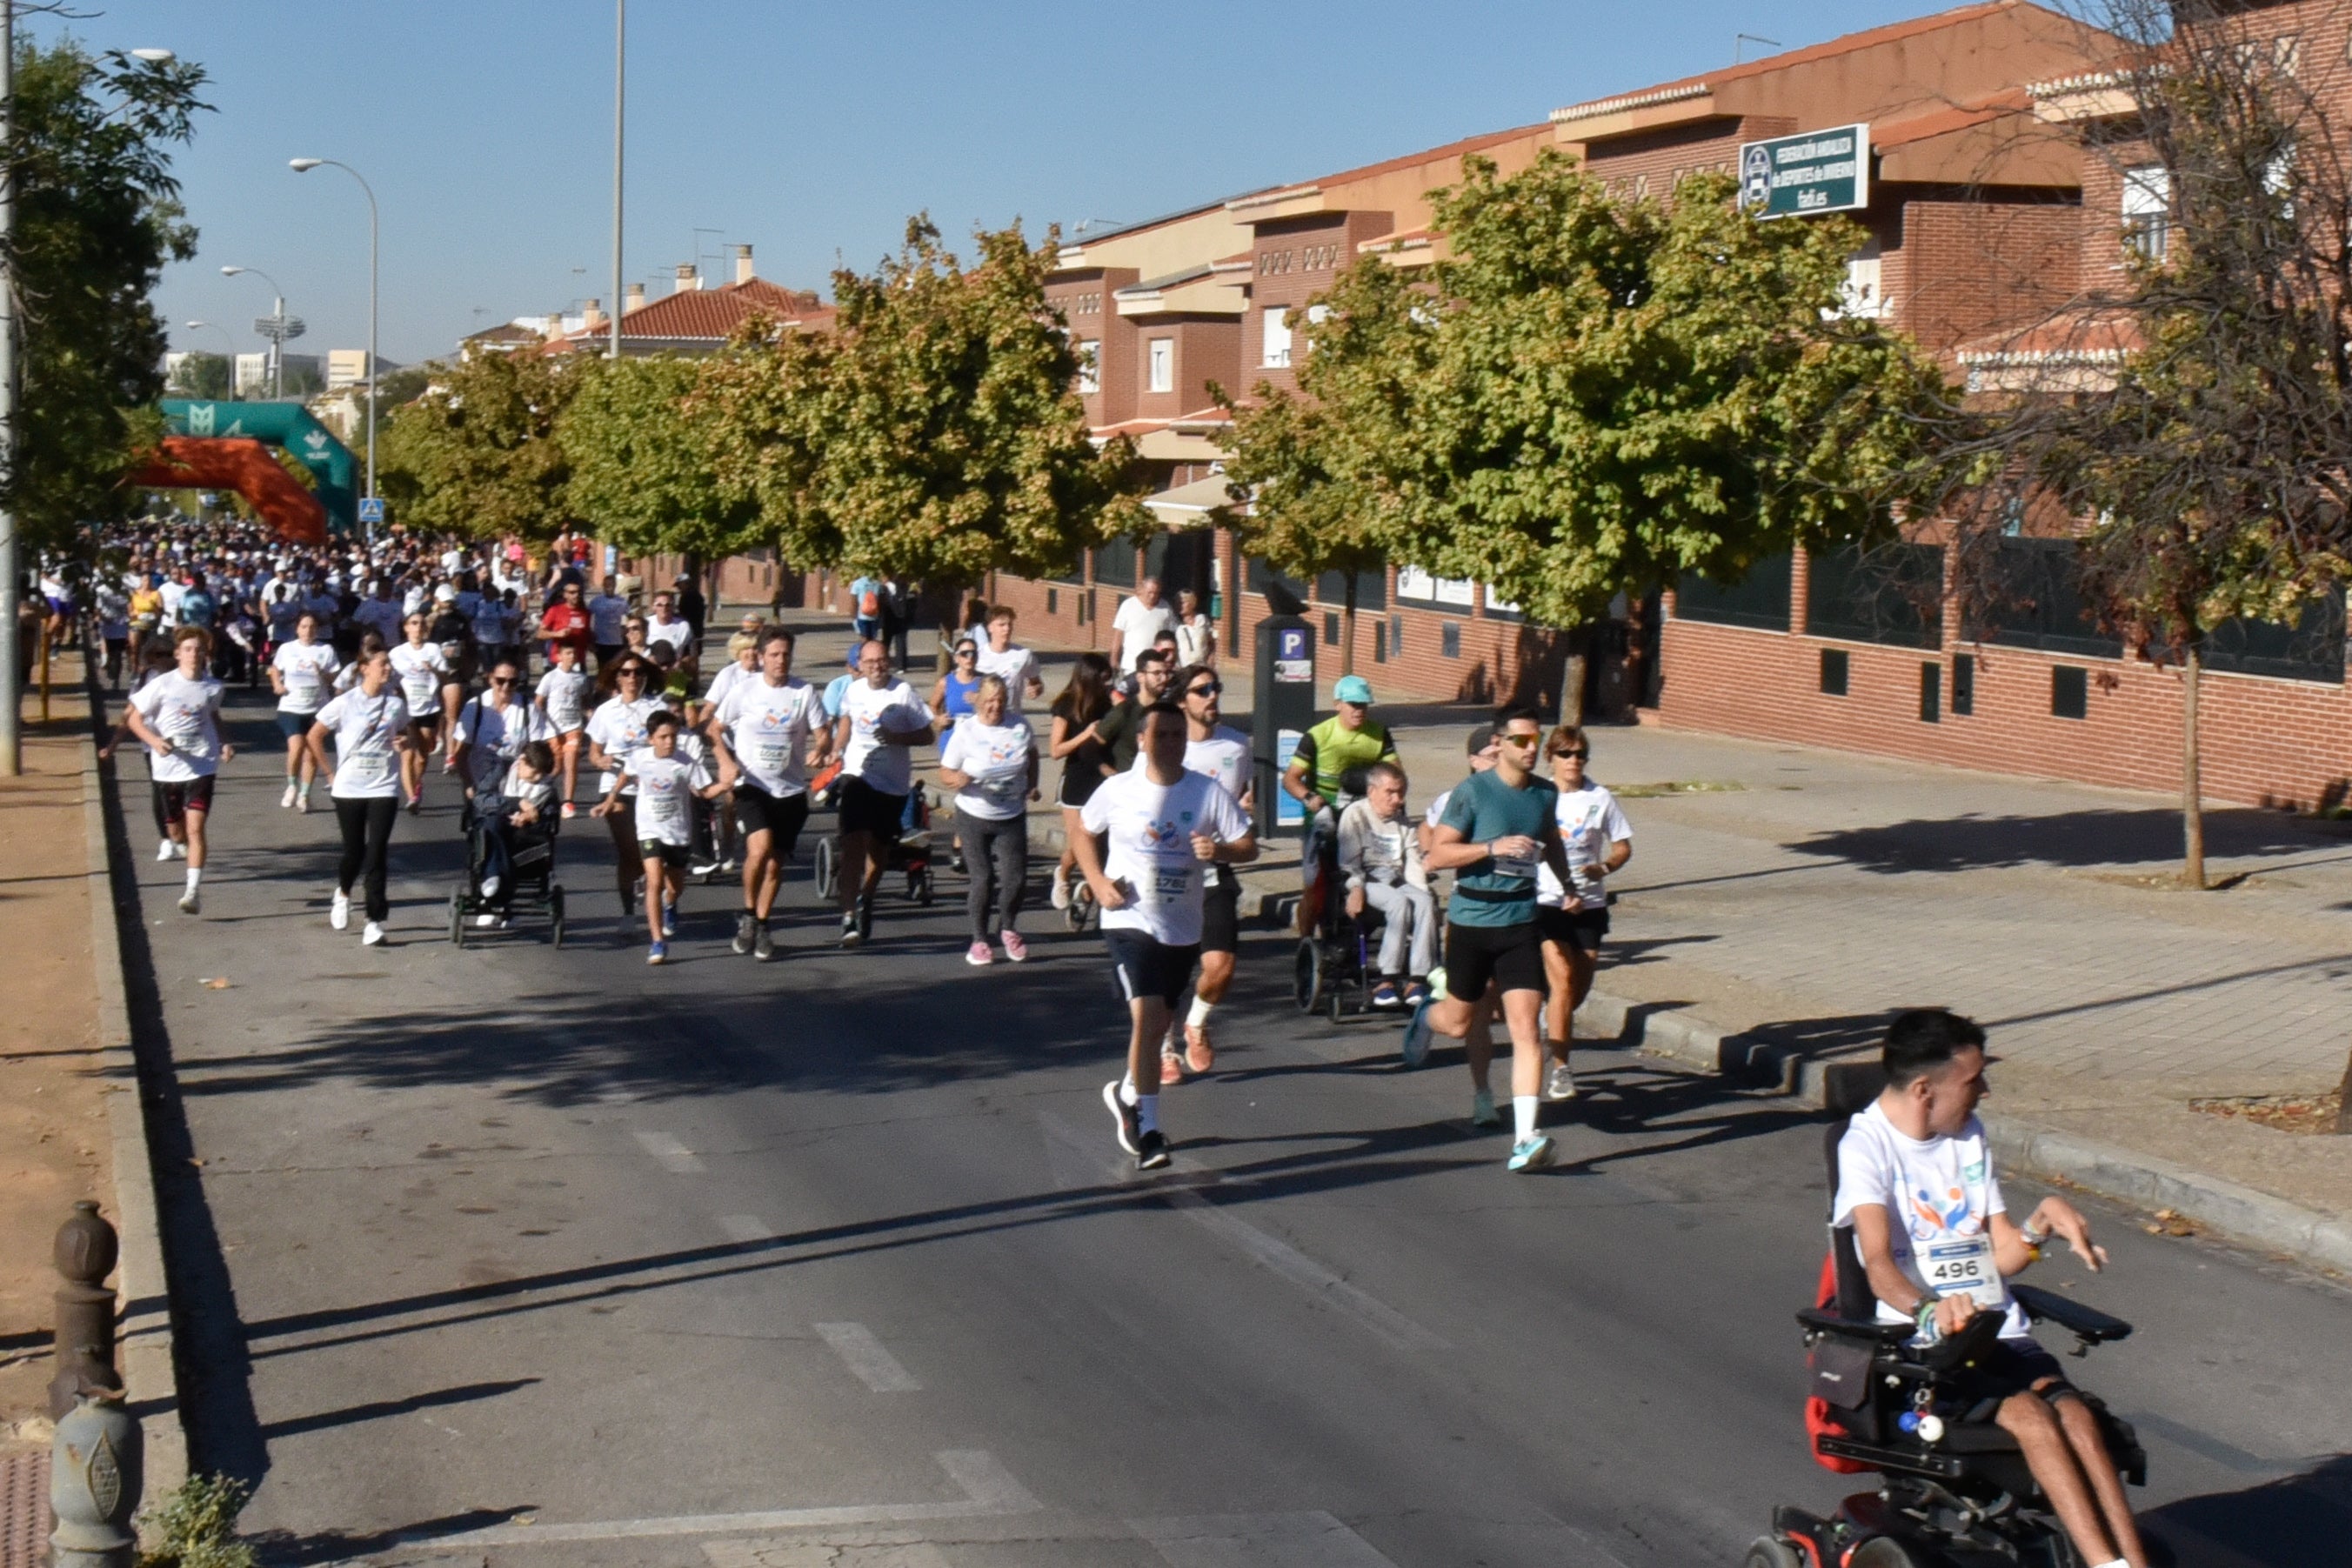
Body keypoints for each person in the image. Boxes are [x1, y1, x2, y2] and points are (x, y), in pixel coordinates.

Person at [1835, 1010, 2148, 1568]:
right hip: (1930, 1345)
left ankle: (2129, 1563)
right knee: (2031, 1417)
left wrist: (2038, 1225)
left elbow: (2000, 1254)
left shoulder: (1968, 1137)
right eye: (1973, 1079)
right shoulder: (1865, 1147)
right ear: (1925, 1089)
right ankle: (2105, 1564)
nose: (1985, 1089)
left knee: (2077, 1417)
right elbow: (1878, 1266)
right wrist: (1931, 1310)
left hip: (1997, 1331)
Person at [1074, 702, 1257, 1170]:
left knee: (1156, 1026)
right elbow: (1081, 829)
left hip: (1182, 926)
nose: (1171, 743)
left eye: (1178, 735)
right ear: (1142, 740)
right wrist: (1096, 881)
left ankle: (1127, 1093)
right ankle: (1151, 1128)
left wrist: (1219, 850)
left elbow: (1247, 844)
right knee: (1147, 1018)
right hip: (1128, 919)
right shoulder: (1119, 789)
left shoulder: (1207, 792)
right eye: (1161, 735)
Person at [1419, 708, 1575, 1171]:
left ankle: (1525, 1139)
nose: (1531, 749)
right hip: (1471, 920)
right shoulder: (1472, 793)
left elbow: (1552, 840)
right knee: (1457, 1023)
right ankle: (1424, 1016)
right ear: (1501, 743)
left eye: (1536, 740)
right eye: (1522, 740)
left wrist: (1568, 885)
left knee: (1527, 1028)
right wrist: (1492, 847)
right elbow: (1435, 856)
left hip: (1521, 922)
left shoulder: (1545, 794)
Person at [710, 627, 830, 961]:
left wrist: (820, 749)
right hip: (753, 785)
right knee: (759, 850)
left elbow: (824, 733)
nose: (781, 661)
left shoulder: (804, 692)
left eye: (786, 654)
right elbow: (714, 728)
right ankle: (748, 913)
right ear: (761, 657)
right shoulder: (744, 692)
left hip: (789, 790)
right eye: (774, 654)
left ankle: (761, 922)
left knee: (775, 867)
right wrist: (724, 760)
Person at [1163, 663, 1252, 1078]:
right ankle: (1164, 1049)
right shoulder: (1161, 748)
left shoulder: (1237, 747)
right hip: (1167, 871)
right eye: (1202, 690)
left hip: (1216, 867)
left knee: (1222, 966)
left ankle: (1194, 1023)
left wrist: (1233, 829)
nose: (1212, 696)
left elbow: (1243, 803)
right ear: (1182, 702)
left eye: (1216, 688)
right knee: (1167, 969)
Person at [1534, 725, 1633, 1101]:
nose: (1573, 761)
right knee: (1561, 980)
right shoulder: (1539, 796)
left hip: (1590, 902)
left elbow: (1623, 846)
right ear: (1551, 758)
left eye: (1580, 754)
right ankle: (1562, 1068)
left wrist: (1605, 868)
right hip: (1548, 900)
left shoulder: (1601, 797)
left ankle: (1551, 1021)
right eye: (1565, 754)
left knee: (1578, 988)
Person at [308, 642, 413, 946]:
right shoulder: (345, 703)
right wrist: (328, 772)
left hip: (383, 785)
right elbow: (315, 735)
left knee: (377, 851)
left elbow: (408, 735)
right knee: (354, 852)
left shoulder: (395, 704)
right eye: (382, 663)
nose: (388, 669)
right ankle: (342, 893)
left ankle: (375, 920)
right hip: (349, 787)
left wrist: (403, 744)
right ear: (365, 668)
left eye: (389, 664)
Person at [596, 709, 721, 964]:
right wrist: (610, 799)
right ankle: (657, 942)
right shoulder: (640, 757)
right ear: (651, 738)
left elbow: (704, 792)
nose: (669, 742)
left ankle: (671, 904)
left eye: (673, 736)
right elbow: (626, 775)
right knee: (654, 881)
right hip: (649, 829)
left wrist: (726, 785)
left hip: (678, 832)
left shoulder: (686, 762)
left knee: (674, 886)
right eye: (663, 737)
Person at [830, 640, 935, 944]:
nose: (877, 666)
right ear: (860, 665)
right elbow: (847, 721)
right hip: (857, 774)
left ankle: (866, 897)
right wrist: (837, 749)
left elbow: (928, 734)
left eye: (882, 660)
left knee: (878, 851)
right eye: (870, 661)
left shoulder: (903, 693)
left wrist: (898, 737)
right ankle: (848, 918)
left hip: (892, 785)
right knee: (852, 845)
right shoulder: (854, 691)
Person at [123, 627, 230, 916]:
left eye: (199, 650)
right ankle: (177, 841)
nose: (194, 655)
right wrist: (154, 741)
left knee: (196, 827)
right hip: (168, 767)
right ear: (178, 654)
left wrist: (224, 742)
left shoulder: (213, 687)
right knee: (176, 830)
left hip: (202, 764)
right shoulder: (163, 684)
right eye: (188, 649)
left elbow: (214, 716)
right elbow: (134, 719)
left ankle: (192, 891)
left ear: (205, 655)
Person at [937, 673, 1037, 964]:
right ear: (978, 701)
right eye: (990, 701)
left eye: (1001, 701)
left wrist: (1032, 785)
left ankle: (1007, 928)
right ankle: (979, 940)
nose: (995, 707)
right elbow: (945, 771)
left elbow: (1031, 756)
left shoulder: (1019, 725)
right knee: (983, 878)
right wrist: (957, 778)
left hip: (1011, 814)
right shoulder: (967, 731)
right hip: (974, 814)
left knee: (1016, 878)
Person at [1340, 761, 1436, 1011]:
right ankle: (1386, 979)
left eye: (1400, 793)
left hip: (1395, 878)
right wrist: (1356, 888)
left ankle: (1417, 978)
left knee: (1425, 902)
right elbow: (1349, 862)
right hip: (1366, 879)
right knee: (1398, 903)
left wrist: (1422, 890)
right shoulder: (1356, 814)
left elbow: (1413, 864)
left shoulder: (1402, 823)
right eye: (1390, 793)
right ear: (1372, 791)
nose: (1397, 799)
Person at [585, 655, 664, 919]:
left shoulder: (657, 707)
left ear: (645, 676)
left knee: (650, 847)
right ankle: (628, 913)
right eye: (626, 673)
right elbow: (594, 753)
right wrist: (601, 760)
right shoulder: (607, 711)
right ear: (616, 677)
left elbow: (670, 742)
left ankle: (647, 882)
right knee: (628, 847)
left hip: (651, 788)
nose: (632, 678)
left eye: (638, 672)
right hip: (615, 788)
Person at [1046, 652, 1118, 911]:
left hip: (1101, 780)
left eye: (1110, 679)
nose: (1108, 684)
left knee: (1100, 846)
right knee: (1078, 846)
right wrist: (1086, 735)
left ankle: (1088, 892)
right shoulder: (1066, 705)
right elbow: (1055, 750)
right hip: (1076, 780)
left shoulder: (1108, 706)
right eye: (1103, 679)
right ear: (1089, 678)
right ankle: (1063, 874)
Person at [471, 739, 558, 926]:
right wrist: (516, 803)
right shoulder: (502, 771)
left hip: (523, 833)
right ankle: (498, 889)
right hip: (496, 822)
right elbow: (482, 799)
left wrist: (531, 818)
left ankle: (494, 894)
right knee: (493, 825)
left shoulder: (546, 788)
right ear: (523, 761)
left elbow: (549, 815)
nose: (536, 779)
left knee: (514, 840)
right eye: (534, 773)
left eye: (540, 775)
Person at [270, 611, 339, 812]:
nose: (308, 631)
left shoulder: (326, 650)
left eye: (312, 627)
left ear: (317, 629)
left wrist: (321, 673)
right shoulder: (287, 649)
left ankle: (305, 794)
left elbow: (333, 679)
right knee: (297, 746)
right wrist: (277, 684)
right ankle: (292, 785)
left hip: (318, 709)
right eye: (304, 626)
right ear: (297, 629)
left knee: (311, 754)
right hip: (292, 706)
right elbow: (275, 668)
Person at [390, 612, 456, 811]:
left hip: (428, 708)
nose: (417, 628)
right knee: (408, 754)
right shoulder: (397, 653)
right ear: (406, 628)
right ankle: (412, 797)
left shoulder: (433, 650)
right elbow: (390, 679)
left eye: (421, 624)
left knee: (422, 756)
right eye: (413, 623)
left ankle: (417, 784)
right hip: (406, 709)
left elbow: (445, 678)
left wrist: (433, 670)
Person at [533, 638, 594, 817]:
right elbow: (538, 702)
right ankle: (539, 793)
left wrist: (589, 713)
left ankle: (568, 802)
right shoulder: (550, 677)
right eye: (568, 653)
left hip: (573, 727)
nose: (571, 657)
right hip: (553, 728)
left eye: (574, 653)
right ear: (559, 656)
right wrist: (539, 723)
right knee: (556, 767)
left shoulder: (581, 679)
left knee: (572, 763)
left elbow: (584, 702)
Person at [1088, 647, 1172, 769]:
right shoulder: (1124, 711)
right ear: (1140, 677)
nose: (1164, 679)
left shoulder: (1168, 711)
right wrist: (1110, 774)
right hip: (1127, 782)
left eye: (1165, 673)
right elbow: (1089, 748)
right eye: (1157, 673)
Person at [974, 605, 1045, 711]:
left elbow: (1036, 682)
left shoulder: (1023, 655)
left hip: (1011, 718)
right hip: (984, 718)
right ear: (990, 628)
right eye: (1001, 625)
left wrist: (1036, 689)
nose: (1007, 629)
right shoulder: (977, 656)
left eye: (1009, 624)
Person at [1107, 576, 1179, 674]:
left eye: (1156, 593)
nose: (1153, 596)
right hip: (1131, 666)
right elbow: (1118, 634)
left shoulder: (1165, 608)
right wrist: (1114, 658)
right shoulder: (1128, 605)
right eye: (1150, 592)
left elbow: (1171, 636)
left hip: (1155, 666)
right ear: (1142, 590)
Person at [538, 577, 594, 672]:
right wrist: (557, 634)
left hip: (579, 660)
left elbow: (587, 633)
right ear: (565, 594)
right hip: (559, 660)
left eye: (578, 592)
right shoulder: (555, 611)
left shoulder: (585, 612)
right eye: (572, 592)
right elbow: (540, 633)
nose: (576, 595)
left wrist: (592, 642)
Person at [931, 637, 983, 739]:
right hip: (952, 739)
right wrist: (938, 719)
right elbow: (932, 706)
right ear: (956, 658)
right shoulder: (946, 682)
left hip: (977, 740)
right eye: (965, 654)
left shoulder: (985, 682)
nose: (969, 658)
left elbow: (999, 706)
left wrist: (982, 699)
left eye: (973, 654)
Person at [586, 576, 631, 669]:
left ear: (615, 586)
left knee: (616, 668)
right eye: (606, 585)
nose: (609, 588)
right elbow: (587, 619)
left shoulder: (622, 602)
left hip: (617, 642)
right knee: (602, 668)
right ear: (603, 586)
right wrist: (590, 639)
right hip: (601, 642)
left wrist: (626, 630)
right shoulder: (596, 602)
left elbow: (630, 618)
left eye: (611, 585)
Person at [645, 590, 695, 671]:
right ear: (654, 607)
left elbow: (690, 654)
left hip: (674, 670)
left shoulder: (683, 626)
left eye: (668, 605)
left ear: (673, 607)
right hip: (651, 670)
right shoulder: (646, 624)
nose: (664, 608)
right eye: (659, 605)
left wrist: (681, 663)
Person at [1173, 588, 1215, 669]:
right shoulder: (1176, 624)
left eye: (1182, 603)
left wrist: (1211, 656)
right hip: (1185, 666)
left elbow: (1211, 641)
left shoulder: (1202, 620)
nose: (1179, 606)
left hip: (1202, 664)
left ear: (1192, 603)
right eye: (1177, 603)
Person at [847, 572, 885, 644]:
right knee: (873, 639)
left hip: (862, 616)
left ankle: (864, 653)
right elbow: (881, 602)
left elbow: (854, 603)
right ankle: (871, 653)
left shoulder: (857, 583)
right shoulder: (878, 583)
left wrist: (854, 618)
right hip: (874, 616)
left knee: (864, 638)